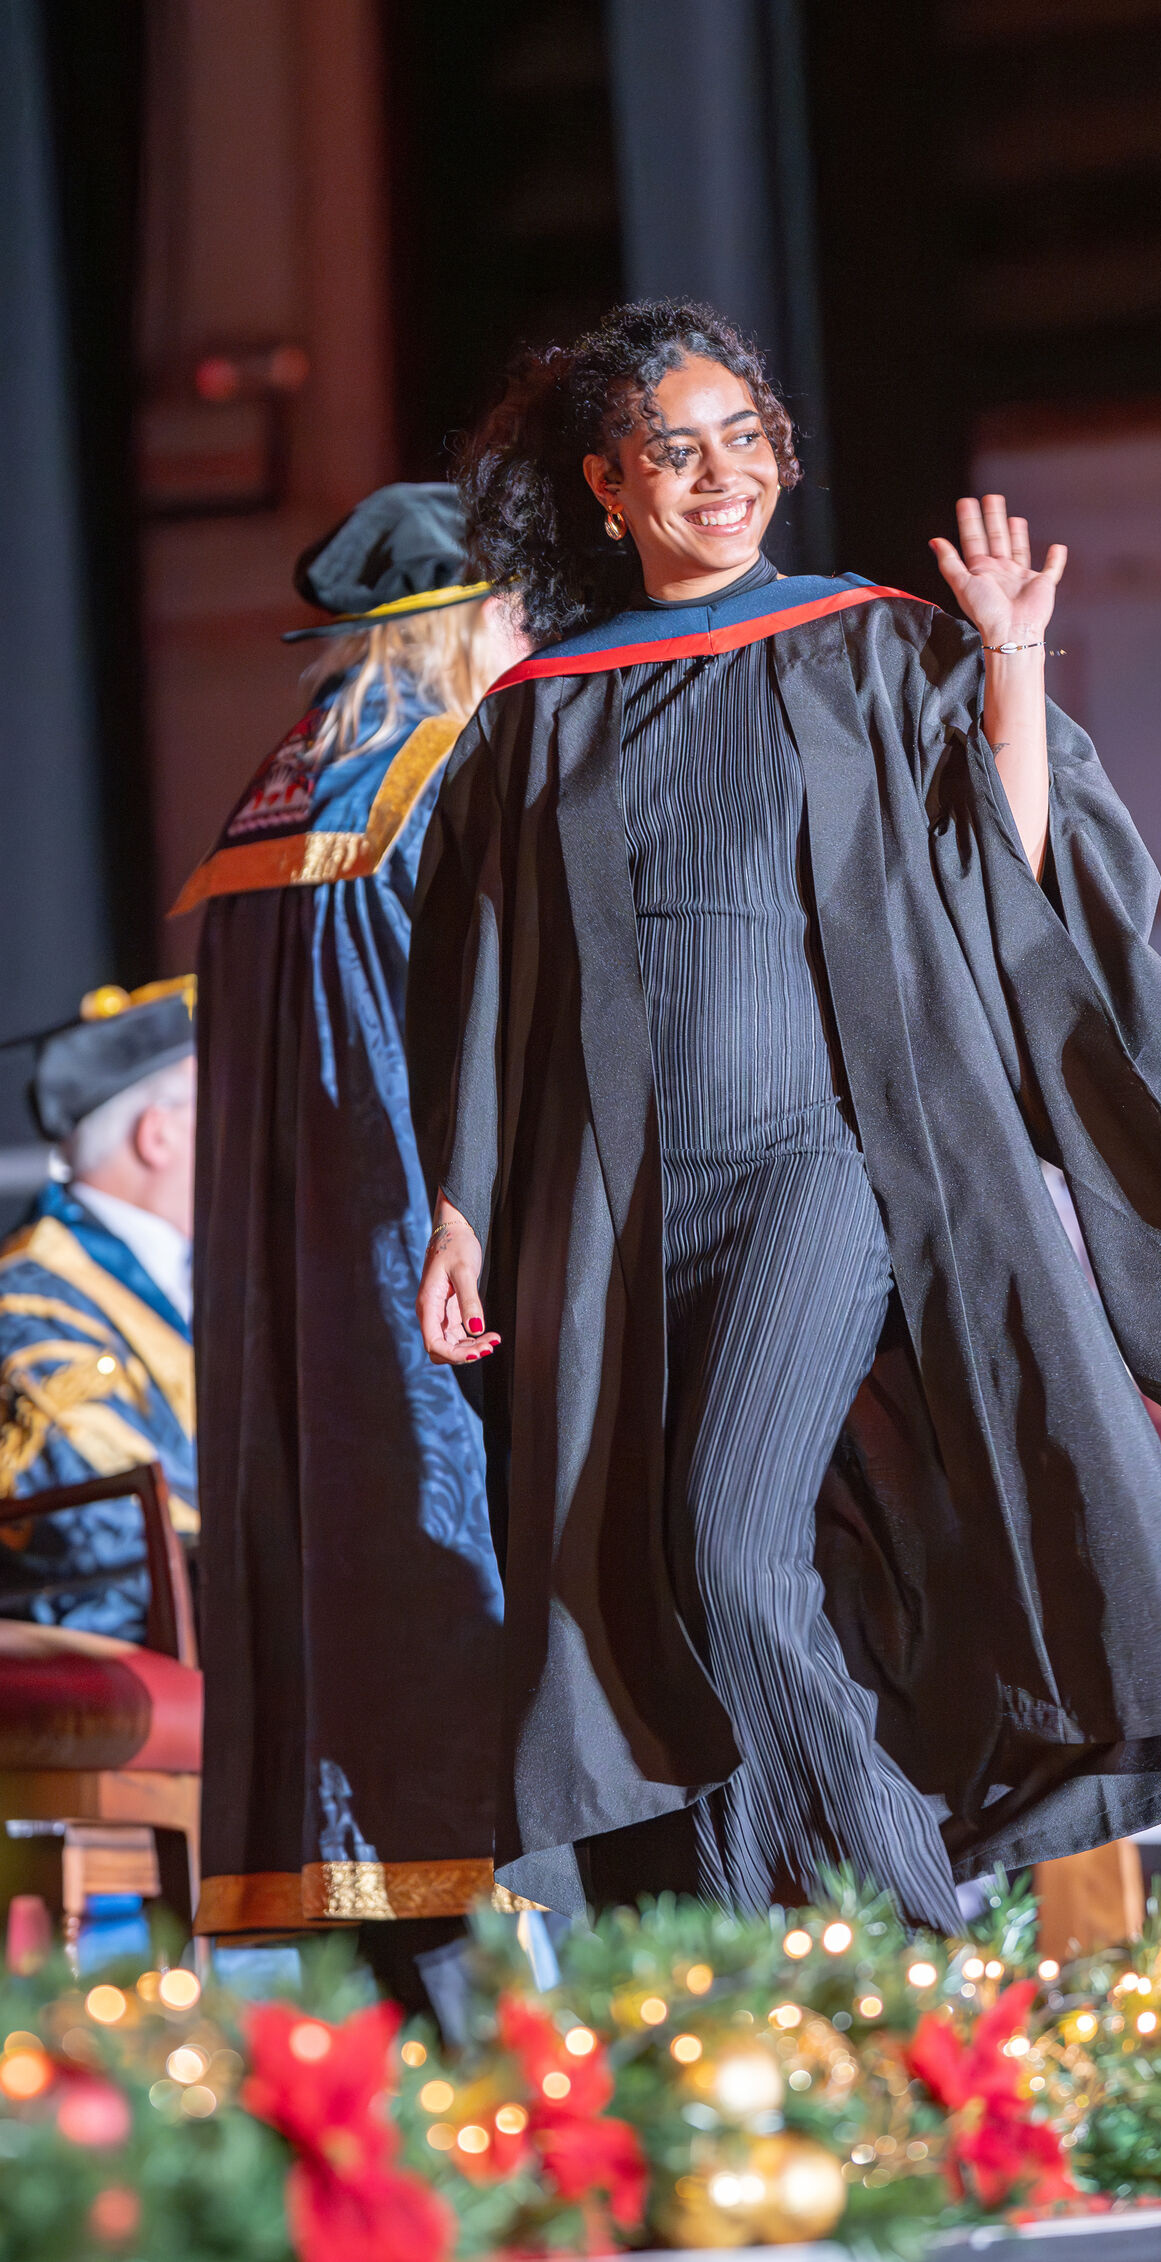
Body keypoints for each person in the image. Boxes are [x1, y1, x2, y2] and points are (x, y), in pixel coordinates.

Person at [408, 301, 1161, 1929]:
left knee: (720, 1547)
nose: (722, 478)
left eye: (745, 441)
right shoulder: (538, 717)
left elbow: (1005, 871)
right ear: (607, 484)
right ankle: (754, 1970)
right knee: (648, 1587)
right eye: (676, 453)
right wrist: (465, 1208)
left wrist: (1008, 662)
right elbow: (482, 983)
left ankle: (912, 1933)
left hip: (820, 1165)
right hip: (618, 1204)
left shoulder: (863, 637)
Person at [177, 484, 526, 1976]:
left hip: (292, 1292)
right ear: (467, 624)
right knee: (450, 1585)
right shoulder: (447, 775)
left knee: (333, 1591)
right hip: (426, 1257)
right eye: (520, 609)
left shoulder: (279, 795)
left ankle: (385, 2012)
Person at [0, 981, 197, 1642]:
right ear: (158, 1136)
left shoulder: (210, 1284)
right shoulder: (30, 1303)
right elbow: (103, 1538)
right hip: (142, 1651)